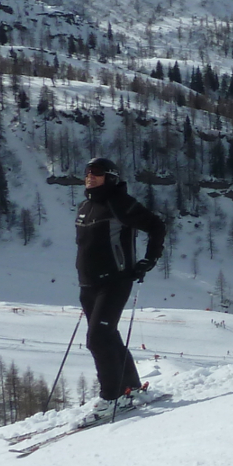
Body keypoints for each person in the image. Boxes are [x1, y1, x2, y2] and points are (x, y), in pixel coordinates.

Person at [75, 157, 165, 411]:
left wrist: (149, 259)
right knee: (109, 336)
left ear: (111, 177)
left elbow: (156, 225)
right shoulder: (85, 206)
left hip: (114, 282)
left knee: (97, 340)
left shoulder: (119, 204)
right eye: (88, 171)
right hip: (88, 285)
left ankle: (112, 398)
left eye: (97, 172)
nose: (90, 175)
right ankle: (131, 387)